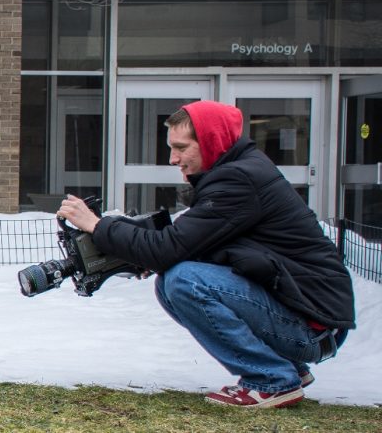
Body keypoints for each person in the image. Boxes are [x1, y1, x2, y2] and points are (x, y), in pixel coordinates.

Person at [56, 100, 355, 408]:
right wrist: (143, 252)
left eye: (181, 148)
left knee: (184, 281)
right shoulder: (240, 171)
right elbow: (199, 245)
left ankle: (272, 379)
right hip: (311, 322)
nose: (173, 159)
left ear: (212, 141)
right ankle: (287, 369)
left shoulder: (238, 180)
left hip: (313, 330)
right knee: (171, 281)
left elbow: (167, 249)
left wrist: (97, 225)